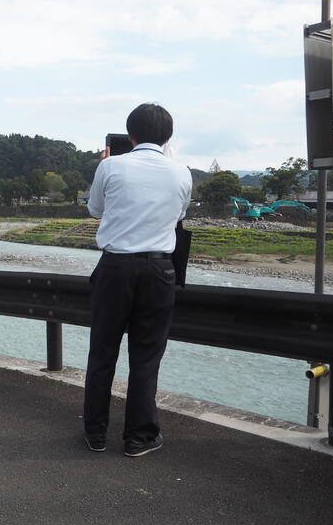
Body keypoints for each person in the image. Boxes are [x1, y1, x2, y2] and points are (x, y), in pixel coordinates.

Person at [82, 103, 192, 457]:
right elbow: (179, 213)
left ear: (129, 135)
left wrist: (106, 165)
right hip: (159, 271)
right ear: (168, 137)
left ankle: (96, 434)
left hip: (115, 268)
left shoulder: (110, 165)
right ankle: (139, 438)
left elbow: (95, 210)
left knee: (102, 351)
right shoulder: (182, 172)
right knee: (146, 357)